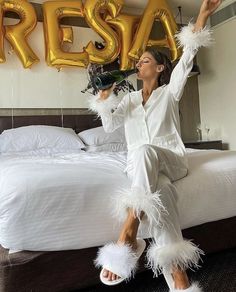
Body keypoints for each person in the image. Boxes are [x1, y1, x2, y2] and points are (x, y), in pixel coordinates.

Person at [88, 1, 222, 291]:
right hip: (143, 167)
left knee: (146, 151)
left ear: (160, 68)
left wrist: (201, 17)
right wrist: (105, 96)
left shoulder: (169, 92)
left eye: (146, 60)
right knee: (161, 191)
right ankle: (178, 277)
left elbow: (187, 57)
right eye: (139, 62)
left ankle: (129, 232)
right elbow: (110, 126)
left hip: (172, 159)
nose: (139, 64)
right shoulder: (129, 100)